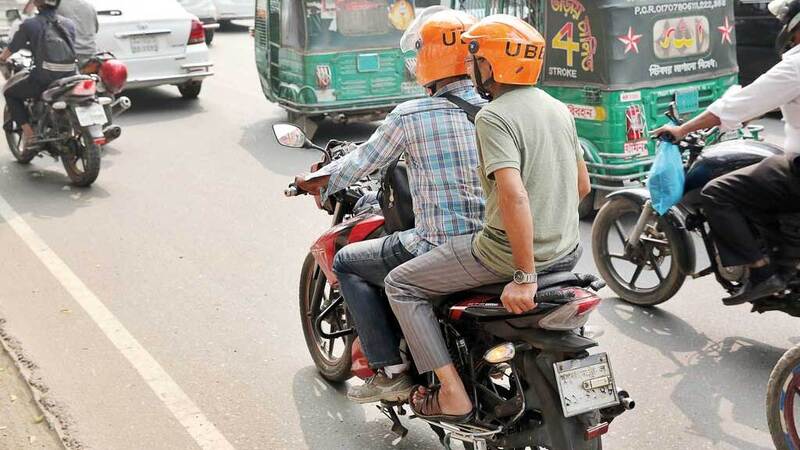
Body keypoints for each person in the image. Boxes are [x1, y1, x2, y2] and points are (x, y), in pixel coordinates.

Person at [385, 14, 591, 422]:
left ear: (492, 64)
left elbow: (513, 197)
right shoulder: (556, 107)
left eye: (475, 59)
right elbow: (582, 186)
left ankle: (452, 394)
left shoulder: (494, 116)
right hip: (567, 253)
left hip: (503, 255)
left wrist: (524, 275)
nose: (470, 67)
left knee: (400, 284)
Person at [293, 9, 486, 404]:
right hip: (498, 241)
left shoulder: (412, 115)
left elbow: (359, 163)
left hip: (438, 244)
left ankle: (391, 371)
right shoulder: (499, 109)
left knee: (348, 261)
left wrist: (313, 182)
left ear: (426, 58)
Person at [653, 0, 800, 305]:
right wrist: (749, 111)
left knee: (718, 192)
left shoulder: (796, 64)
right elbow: (770, 99)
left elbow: (737, 106)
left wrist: (682, 130)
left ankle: (762, 273)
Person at [1, 0, 76, 150]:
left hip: (45, 79)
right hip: (70, 76)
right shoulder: (69, 23)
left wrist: (1, 58)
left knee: (10, 93)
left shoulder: (30, 24)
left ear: (36, 3)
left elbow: (12, 48)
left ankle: (29, 135)